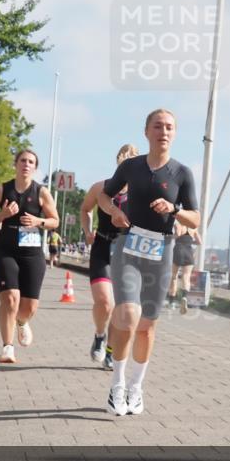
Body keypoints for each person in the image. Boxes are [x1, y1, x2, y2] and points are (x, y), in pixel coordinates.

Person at [97, 110, 199, 415]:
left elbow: (195, 218)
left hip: (161, 250)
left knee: (146, 328)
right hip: (129, 246)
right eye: (158, 126)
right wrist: (114, 211)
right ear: (146, 132)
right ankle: (117, 386)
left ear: (175, 133)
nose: (163, 131)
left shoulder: (182, 173)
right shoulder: (131, 167)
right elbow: (105, 195)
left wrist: (174, 209)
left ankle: (136, 388)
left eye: (169, 127)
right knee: (127, 316)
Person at [0, 149, 59, 364]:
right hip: (5, 251)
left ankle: (22, 322)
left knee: (28, 307)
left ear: (35, 167)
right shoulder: (2, 189)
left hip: (31, 253)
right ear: (16, 164)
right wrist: (3, 215)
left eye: (31, 162)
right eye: (22, 160)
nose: (26, 164)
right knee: (10, 298)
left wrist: (38, 221)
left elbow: (55, 221)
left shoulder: (41, 192)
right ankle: (7, 347)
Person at [80, 143, 138, 370]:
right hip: (102, 247)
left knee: (122, 309)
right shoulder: (100, 188)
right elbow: (85, 209)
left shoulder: (139, 195)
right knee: (105, 303)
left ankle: (111, 352)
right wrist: (87, 231)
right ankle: (99, 335)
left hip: (128, 252)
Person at [167, 223, 201, 313]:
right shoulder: (194, 227)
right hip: (189, 251)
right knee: (186, 276)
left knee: (174, 277)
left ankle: (172, 303)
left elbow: (177, 234)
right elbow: (199, 242)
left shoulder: (178, 225)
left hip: (178, 250)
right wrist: (190, 241)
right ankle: (184, 297)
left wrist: (169, 236)